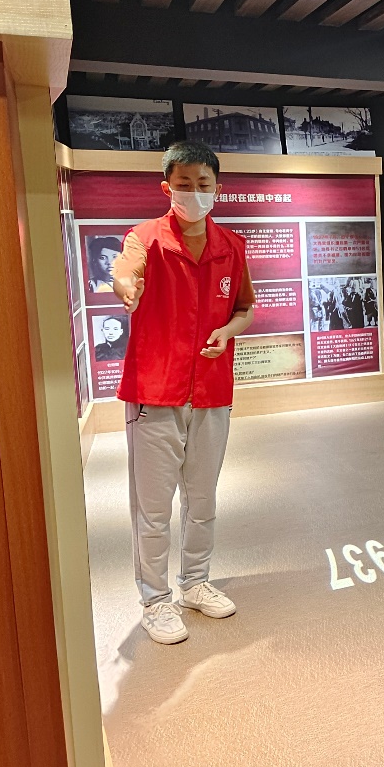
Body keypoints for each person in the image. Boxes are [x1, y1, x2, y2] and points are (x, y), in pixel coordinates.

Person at [111, 140, 256, 645]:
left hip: (211, 390)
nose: (194, 193)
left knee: (203, 497)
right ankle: (155, 600)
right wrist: (126, 287)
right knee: (152, 508)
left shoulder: (231, 246)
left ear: (217, 188)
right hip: (156, 390)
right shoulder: (146, 238)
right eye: (184, 184)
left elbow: (245, 308)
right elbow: (125, 268)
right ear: (167, 187)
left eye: (203, 184)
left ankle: (195, 582)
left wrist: (228, 332)